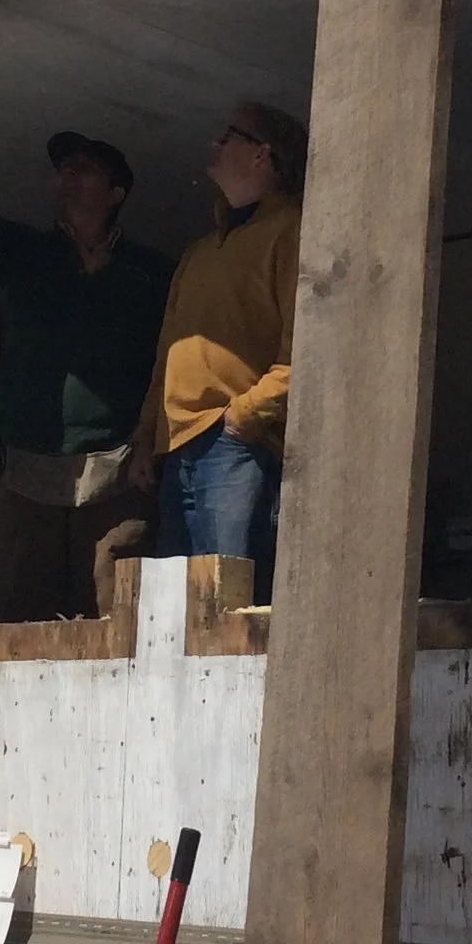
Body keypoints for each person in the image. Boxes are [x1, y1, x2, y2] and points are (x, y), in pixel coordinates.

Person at [0, 60, 172, 621]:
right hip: (29, 474)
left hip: (118, 474)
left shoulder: (152, 273)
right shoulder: (26, 257)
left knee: (116, 622)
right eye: (63, 168)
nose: (68, 176)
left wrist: (152, 443)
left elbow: (177, 364)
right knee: (22, 619)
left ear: (116, 193)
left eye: (86, 169)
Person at [134, 100, 309, 603]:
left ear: (262, 155)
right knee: (177, 613)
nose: (214, 145)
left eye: (227, 137)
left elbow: (308, 348)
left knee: (230, 606)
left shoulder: (292, 229)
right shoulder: (197, 252)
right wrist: (147, 436)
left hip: (236, 445)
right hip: (179, 447)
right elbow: (169, 353)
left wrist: (245, 417)